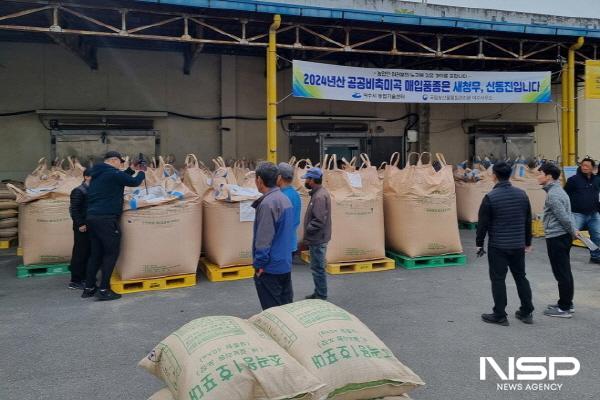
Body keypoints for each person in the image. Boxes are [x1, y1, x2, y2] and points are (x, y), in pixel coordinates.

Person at [476, 161, 534, 326]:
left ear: (494, 176)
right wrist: (527, 242)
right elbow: (527, 220)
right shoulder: (522, 194)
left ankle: (500, 314)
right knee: (521, 277)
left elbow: (483, 224)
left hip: (498, 246)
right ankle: (527, 311)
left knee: (498, 279)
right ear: (509, 175)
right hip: (517, 245)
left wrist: (479, 243)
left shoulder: (490, 197)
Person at [82, 151, 146, 301]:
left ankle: (89, 288)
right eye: (120, 162)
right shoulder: (112, 173)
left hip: (93, 217)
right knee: (111, 253)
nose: (121, 164)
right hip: (106, 218)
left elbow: (121, 178)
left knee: (96, 254)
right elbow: (134, 182)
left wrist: (131, 169)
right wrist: (142, 172)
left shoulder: (98, 173)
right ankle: (104, 289)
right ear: (114, 160)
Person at [251, 162, 296, 310]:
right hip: (284, 263)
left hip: (269, 268)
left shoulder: (267, 204)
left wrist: (259, 265)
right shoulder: (285, 199)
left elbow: (264, 239)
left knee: (273, 314)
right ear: (277, 178)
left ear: (259, 180)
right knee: (285, 310)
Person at [538, 163, 578, 318]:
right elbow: (569, 214)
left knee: (561, 272)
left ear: (548, 176)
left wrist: (572, 231)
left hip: (557, 237)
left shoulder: (554, 194)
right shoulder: (558, 190)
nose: (538, 176)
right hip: (562, 236)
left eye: (539, 173)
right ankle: (567, 302)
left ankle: (564, 308)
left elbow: (564, 217)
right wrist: (572, 231)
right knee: (564, 271)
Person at [302, 167, 332, 300]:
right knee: (317, 268)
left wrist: (308, 228)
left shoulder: (319, 196)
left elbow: (319, 220)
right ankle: (318, 292)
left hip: (317, 239)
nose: (305, 181)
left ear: (312, 180)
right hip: (318, 238)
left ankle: (321, 295)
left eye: (307, 179)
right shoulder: (318, 193)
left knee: (318, 269)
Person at [564, 157, 600, 264]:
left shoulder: (597, 179)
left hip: (594, 214)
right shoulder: (573, 180)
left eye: (587, 166)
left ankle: (595, 256)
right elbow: (565, 195)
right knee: (571, 235)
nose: (584, 167)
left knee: (597, 236)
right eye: (583, 165)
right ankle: (563, 257)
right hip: (577, 214)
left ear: (593, 168)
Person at [68, 168, 92, 290]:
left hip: (90, 225)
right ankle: (75, 280)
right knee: (80, 253)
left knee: (89, 252)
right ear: (86, 177)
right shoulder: (78, 191)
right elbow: (74, 210)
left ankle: (85, 277)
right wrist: (80, 224)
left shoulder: (91, 190)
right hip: (81, 227)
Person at [277, 163, 301, 258]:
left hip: (281, 244)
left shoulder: (282, 196)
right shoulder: (295, 194)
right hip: (291, 242)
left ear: (279, 177)